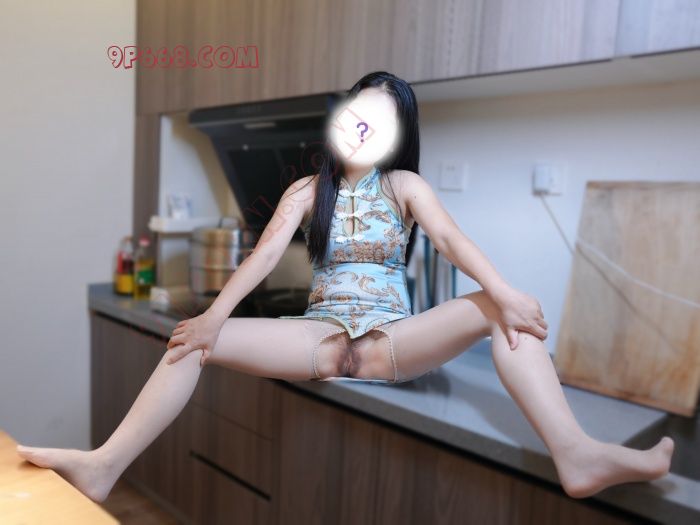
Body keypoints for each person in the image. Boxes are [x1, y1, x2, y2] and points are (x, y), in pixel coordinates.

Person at [16, 71, 673, 503]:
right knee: (189, 342)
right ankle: (105, 464)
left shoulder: (406, 186)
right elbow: (265, 253)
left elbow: (450, 240)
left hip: (392, 343)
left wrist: (502, 290)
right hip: (322, 340)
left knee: (499, 310)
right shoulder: (309, 190)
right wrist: (214, 316)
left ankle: (575, 453)